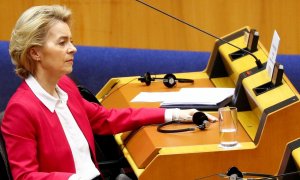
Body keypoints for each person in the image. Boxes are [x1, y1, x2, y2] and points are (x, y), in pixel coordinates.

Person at [0, 5, 216, 180]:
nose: (73, 49)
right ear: (35, 52)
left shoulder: (65, 86)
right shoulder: (21, 109)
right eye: (62, 43)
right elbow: (25, 176)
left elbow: (106, 118)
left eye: (71, 41)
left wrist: (175, 114)